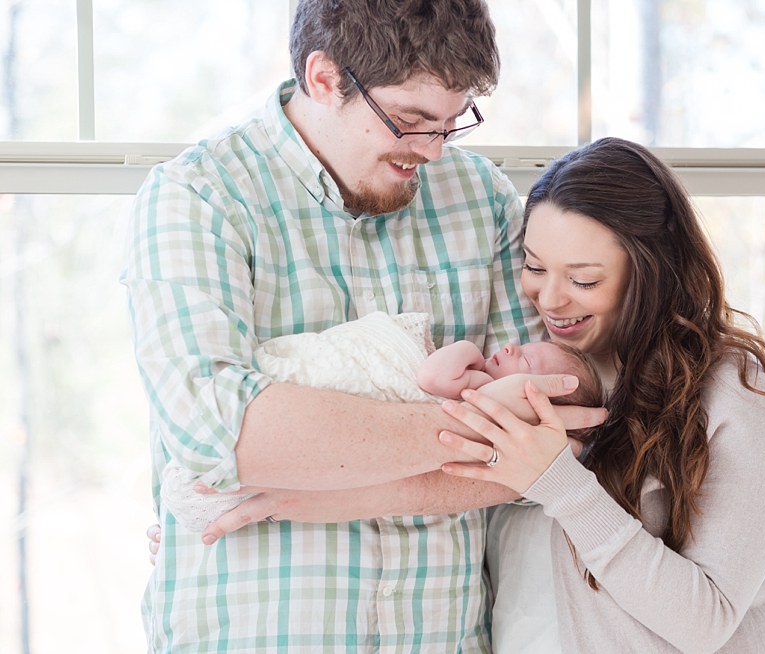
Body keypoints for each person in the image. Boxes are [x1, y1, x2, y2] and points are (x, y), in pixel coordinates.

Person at [122, 1, 604, 652]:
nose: (431, 152)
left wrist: (304, 482)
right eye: (409, 123)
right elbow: (217, 433)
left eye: (449, 125)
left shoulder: (481, 197)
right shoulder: (200, 197)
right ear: (324, 78)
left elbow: (548, 451)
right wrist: (485, 439)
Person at [435, 137, 765, 653]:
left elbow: (708, 621)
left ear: (651, 269)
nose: (550, 298)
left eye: (583, 280)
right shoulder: (536, 370)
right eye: (535, 267)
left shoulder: (731, 390)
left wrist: (562, 484)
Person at [159, 311, 603, 533]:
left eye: (524, 359)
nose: (509, 349)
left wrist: (468, 350)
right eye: (521, 345)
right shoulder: (489, 395)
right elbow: (207, 421)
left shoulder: (485, 392)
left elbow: (433, 376)